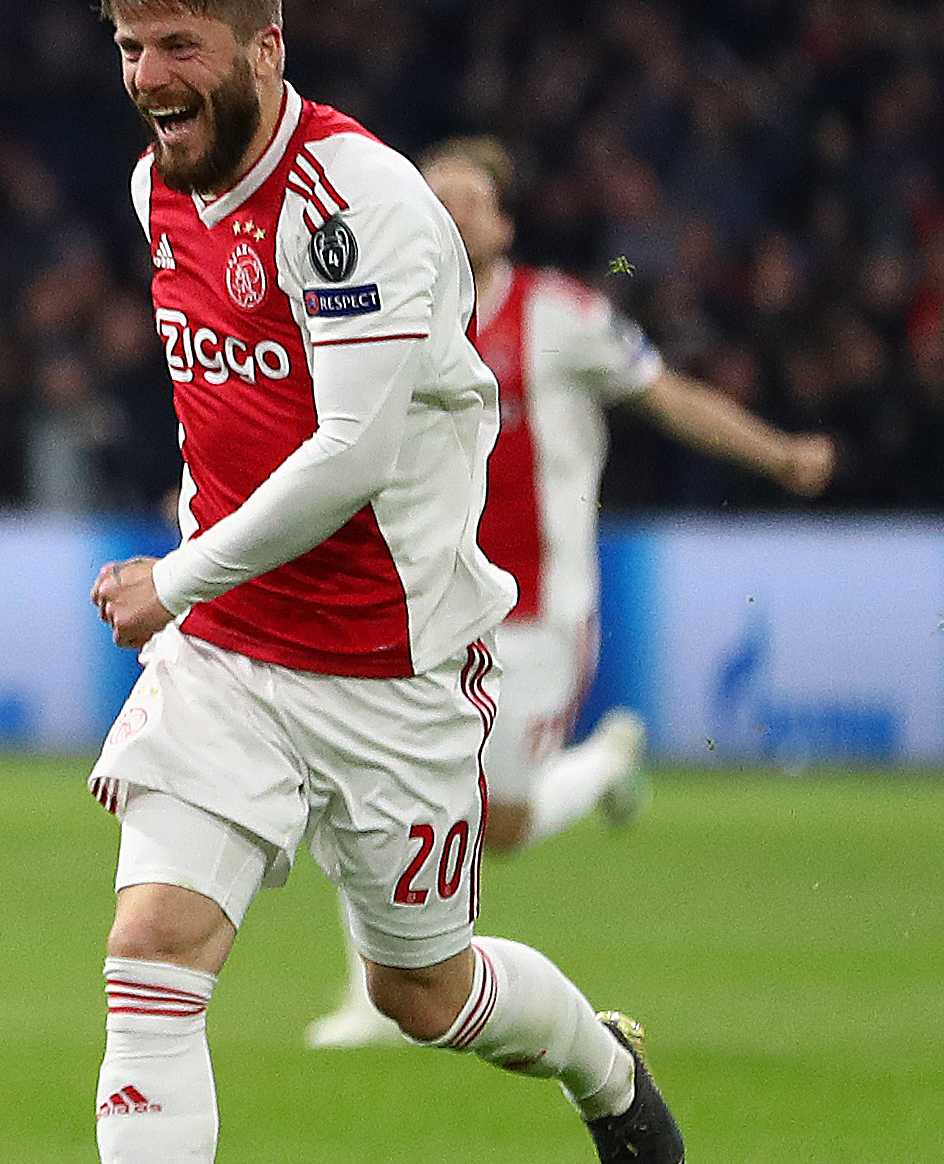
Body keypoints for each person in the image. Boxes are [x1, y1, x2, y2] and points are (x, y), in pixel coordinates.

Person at [38, 0, 686, 1164]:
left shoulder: (366, 204)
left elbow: (352, 451)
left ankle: (604, 1071)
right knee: (153, 950)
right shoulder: (159, 190)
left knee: (426, 992)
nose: (148, 75)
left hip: (390, 671)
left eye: (179, 46)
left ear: (265, 46)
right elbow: (233, 422)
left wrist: (173, 571)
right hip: (229, 661)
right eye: (132, 47)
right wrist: (200, 591)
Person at [304, 137, 837, 1048]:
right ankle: (371, 992)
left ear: (505, 223)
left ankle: (603, 763)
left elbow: (667, 396)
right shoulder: (379, 314)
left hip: (538, 614)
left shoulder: (562, 313)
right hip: (419, 604)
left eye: (469, 197)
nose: (450, 209)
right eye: (434, 195)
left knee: (498, 822)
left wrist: (778, 453)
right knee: (379, 785)